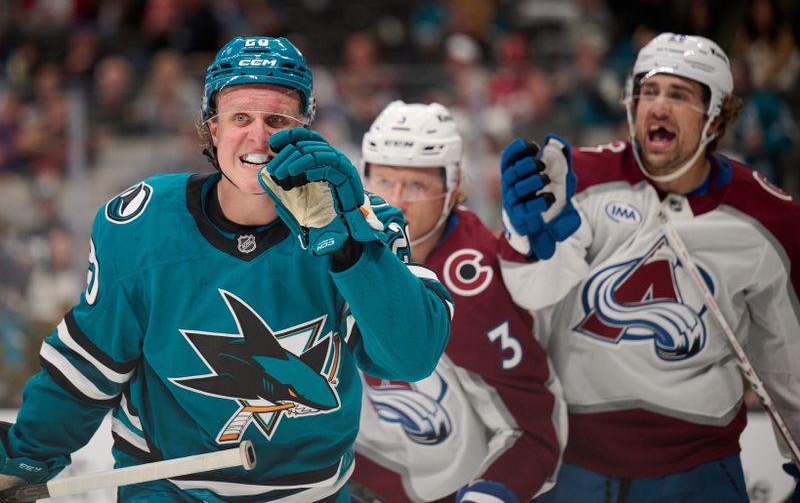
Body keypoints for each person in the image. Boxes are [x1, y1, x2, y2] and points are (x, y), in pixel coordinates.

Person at [0, 36, 453, 502]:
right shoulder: (144, 225)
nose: (258, 138)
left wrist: (350, 251)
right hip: (168, 487)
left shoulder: (363, 221)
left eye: (277, 120)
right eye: (240, 118)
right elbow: (87, 366)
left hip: (311, 493)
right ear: (212, 130)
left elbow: (411, 358)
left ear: (307, 130)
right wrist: (26, 458)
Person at [498, 32, 800, 501]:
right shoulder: (576, 178)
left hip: (699, 472)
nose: (657, 107)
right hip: (576, 467)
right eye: (647, 92)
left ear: (716, 118)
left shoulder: (768, 218)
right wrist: (524, 242)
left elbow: (790, 363)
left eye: (678, 95)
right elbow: (534, 298)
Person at [351, 101, 566, 503]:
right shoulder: (336, 244)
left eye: (415, 185)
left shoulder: (474, 282)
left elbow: (533, 433)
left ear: (453, 190)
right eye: (382, 181)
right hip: (349, 476)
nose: (395, 202)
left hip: (443, 490)